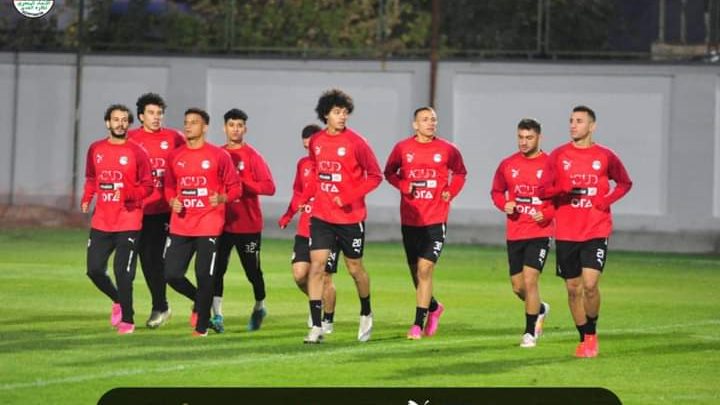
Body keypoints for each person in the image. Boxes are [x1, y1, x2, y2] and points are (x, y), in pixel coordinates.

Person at [540, 105, 632, 357]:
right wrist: (561, 189)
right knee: (573, 288)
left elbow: (624, 182)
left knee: (590, 285)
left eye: (579, 121)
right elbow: (542, 190)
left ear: (592, 126)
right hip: (567, 232)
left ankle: (591, 333)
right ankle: (584, 337)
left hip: (595, 229)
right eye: (571, 120)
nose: (573, 125)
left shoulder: (605, 156)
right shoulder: (558, 155)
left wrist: (607, 200)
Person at [301, 88, 383, 343]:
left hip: (350, 218)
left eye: (345, 112)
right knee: (317, 267)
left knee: (354, 269)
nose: (342, 116)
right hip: (322, 216)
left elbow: (375, 176)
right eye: (337, 112)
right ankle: (316, 326)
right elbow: (315, 170)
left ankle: (366, 312)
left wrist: (348, 196)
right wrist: (309, 197)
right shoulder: (316, 141)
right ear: (326, 114)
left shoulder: (357, 143)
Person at [384, 107, 467, 340]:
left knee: (425, 269)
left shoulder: (447, 149)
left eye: (433, 119)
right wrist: (403, 185)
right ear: (415, 124)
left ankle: (417, 325)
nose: (430, 123)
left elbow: (460, 173)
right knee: (416, 274)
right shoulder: (403, 148)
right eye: (425, 119)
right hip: (411, 220)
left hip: (435, 219)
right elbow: (389, 172)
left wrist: (451, 190)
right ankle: (434, 307)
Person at [163, 108, 242, 337]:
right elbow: (169, 186)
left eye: (194, 122)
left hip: (209, 224)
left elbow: (236, 188)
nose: (188, 126)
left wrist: (222, 198)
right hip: (181, 224)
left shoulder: (218, 155)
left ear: (205, 127)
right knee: (171, 274)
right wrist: (172, 200)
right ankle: (201, 303)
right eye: (186, 122)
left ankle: (202, 327)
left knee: (204, 275)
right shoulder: (175, 156)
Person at [81, 104, 154, 335]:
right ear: (107, 123)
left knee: (123, 273)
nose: (120, 124)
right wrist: (87, 198)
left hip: (128, 221)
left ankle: (128, 320)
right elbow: (91, 178)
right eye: (116, 119)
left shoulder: (137, 152)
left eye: (124, 120)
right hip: (102, 221)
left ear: (129, 124)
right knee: (94, 270)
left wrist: (128, 194)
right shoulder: (96, 149)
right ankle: (117, 300)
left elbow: (148, 186)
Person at [212, 108, 276, 333]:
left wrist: (242, 183)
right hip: (221, 225)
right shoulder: (217, 154)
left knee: (252, 271)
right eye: (231, 125)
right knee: (217, 269)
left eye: (239, 125)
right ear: (224, 128)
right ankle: (217, 315)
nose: (235, 129)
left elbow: (269, 187)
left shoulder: (253, 156)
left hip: (248, 225)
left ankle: (260, 306)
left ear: (245, 129)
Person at [490, 118, 553, 348]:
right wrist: (504, 204)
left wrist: (546, 214)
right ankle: (541, 308)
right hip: (515, 233)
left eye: (529, 137)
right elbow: (497, 192)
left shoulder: (551, 165)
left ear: (539, 138)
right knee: (518, 287)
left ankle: (529, 333)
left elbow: (559, 199)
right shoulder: (508, 164)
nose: (524, 142)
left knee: (530, 279)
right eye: (520, 137)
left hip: (540, 232)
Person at [127, 93, 185, 329]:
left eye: (159, 113)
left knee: (162, 260)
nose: (156, 117)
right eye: (151, 113)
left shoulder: (174, 138)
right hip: (141, 210)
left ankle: (190, 303)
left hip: (166, 210)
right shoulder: (131, 139)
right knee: (147, 260)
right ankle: (160, 306)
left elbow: (187, 165)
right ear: (141, 116)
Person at [278, 124, 340, 334]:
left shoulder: (334, 164)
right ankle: (317, 303)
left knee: (325, 277)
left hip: (328, 228)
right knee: (299, 274)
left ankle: (328, 320)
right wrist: (288, 215)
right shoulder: (303, 164)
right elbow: (298, 191)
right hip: (305, 229)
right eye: (306, 147)